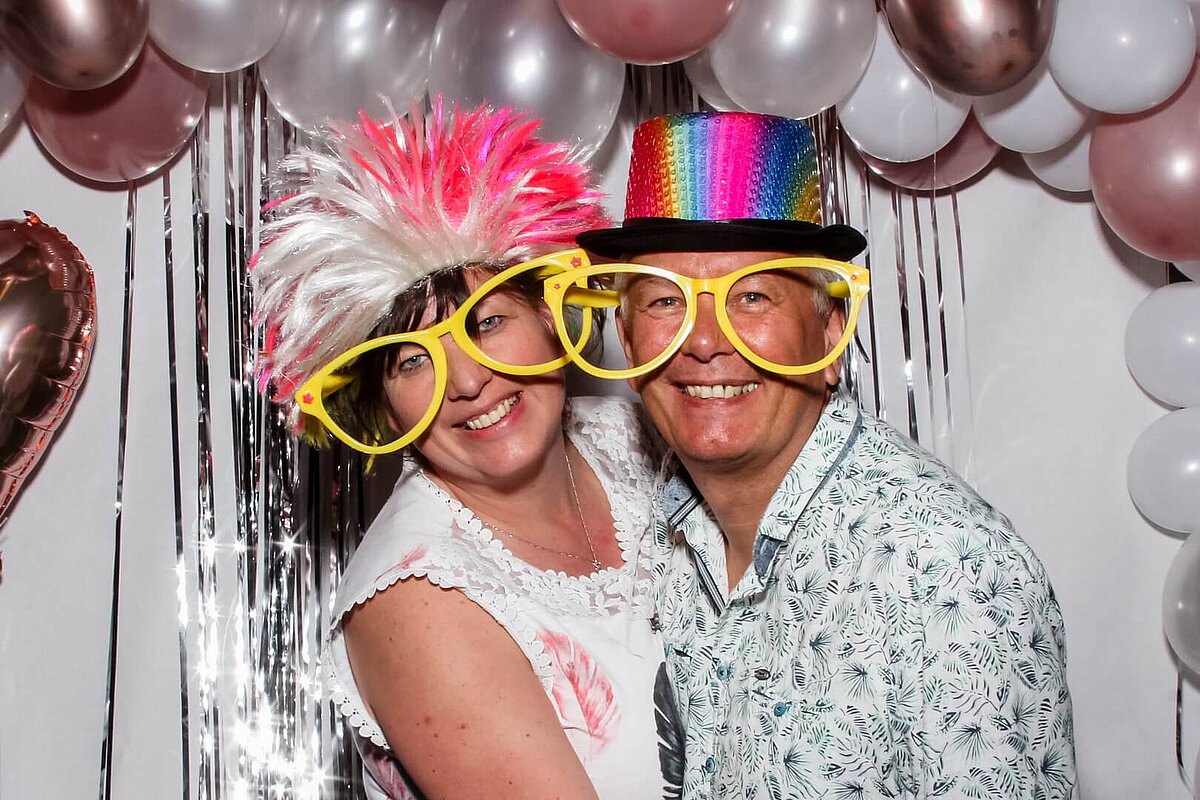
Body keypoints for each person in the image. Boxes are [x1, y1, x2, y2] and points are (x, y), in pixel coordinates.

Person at [556, 111, 1077, 798]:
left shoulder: (944, 571)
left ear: (830, 333)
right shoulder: (666, 528)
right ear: (626, 339)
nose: (704, 341)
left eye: (752, 297)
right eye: (663, 302)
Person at [251, 102, 675, 799]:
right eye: (413, 360)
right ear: (383, 401)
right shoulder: (417, 602)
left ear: (548, 314)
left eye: (488, 322)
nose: (469, 381)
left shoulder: (637, 437)